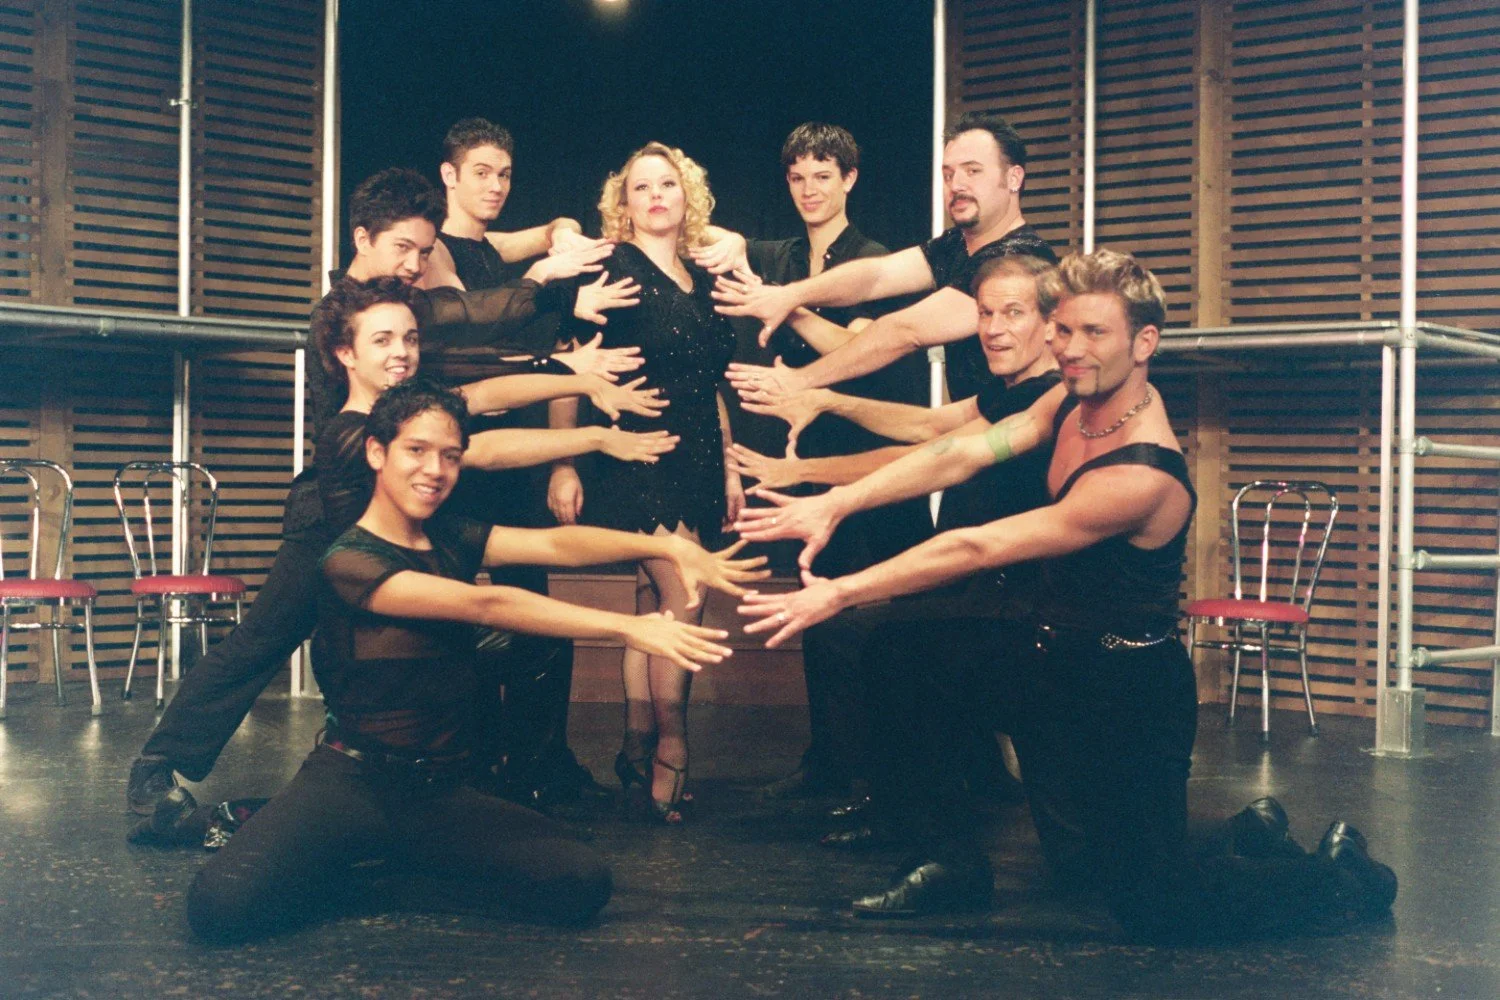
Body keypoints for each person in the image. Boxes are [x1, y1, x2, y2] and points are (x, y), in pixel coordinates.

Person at [735, 249, 1399, 943]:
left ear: (1144, 343)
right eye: (1063, 330)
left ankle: (1338, 874)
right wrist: (838, 502)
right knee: (896, 649)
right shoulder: (1069, 398)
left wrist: (841, 590)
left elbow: (979, 545)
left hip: (1126, 691)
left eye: (1093, 334)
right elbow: (965, 451)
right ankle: (949, 860)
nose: (1071, 349)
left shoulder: (1142, 472)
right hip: (1050, 652)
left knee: (1150, 901)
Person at [125, 168, 640, 816]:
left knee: (450, 640)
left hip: (377, 513)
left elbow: (469, 394)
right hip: (331, 512)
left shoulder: (397, 312)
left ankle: (475, 778)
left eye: (426, 252)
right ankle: (158, 770)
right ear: (362, 238)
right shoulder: (347, 314)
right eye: (403, 248)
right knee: (262, 642)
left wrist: (571, 375)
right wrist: (552, 310)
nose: (415, 264)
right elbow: (472, 351)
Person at [185, 378, 766, 943]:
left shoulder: (453, 536)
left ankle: (393, 878)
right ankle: (355, 869)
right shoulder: (347, 562)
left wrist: (664, 545)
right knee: (220, 909)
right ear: (376, 452)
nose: (435, 471)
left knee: (580, 882)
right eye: (416, 451)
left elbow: (557, 544)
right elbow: (485, 602)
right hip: (350, 781)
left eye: (451, 456)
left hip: (437, 792)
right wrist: (625, 625)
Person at [728, 254, 1062, 830]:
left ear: (1051, 324)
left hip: (1022, 599)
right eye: (985, 313)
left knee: (871, 639)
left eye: (1014, 313)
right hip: (985, 586)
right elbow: (930, 428)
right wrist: (830, 402)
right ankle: (905, 801)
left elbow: (931, 456)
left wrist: (816, 479)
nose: (994, 328)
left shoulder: (1046, 397)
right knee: (868, 638)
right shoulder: (1012, 391)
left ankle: (914, 809)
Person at [721, 122, 932, 800]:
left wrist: (784, 305)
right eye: (798, 177)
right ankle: (831, 764)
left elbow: (863, 347)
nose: (810, 189)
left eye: (823, 175)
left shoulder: (873, 260)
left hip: (871, 455)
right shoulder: (777, 252)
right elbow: (716, 241)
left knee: (869, 622)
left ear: (850, 180)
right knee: (818, 604)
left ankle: (874, 777)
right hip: (804, 454)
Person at [548, 142, 741, 823]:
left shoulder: (700, 275)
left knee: (653, 607)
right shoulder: (613, 266)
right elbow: (574, 361)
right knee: (684, 594)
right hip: (639, 451)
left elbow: (708, 383)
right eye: (641, 188)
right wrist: (564, 459)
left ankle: (636, 745)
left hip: (697, 456)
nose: (656, 195)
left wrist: (729, 463)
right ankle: (672, 748)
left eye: (668, 184)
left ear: (687, 196)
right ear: (623, 206)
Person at [715, 111, 1056, 407]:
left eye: (972, 171)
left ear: (1013, 178)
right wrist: (790, 294)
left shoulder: (1022, 258)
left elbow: (903, 332)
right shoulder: (956, 244)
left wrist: (799, 379)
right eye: (949, 174)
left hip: (1024, 448)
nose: (957, 184)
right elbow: (876, 276)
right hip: (979, 428)